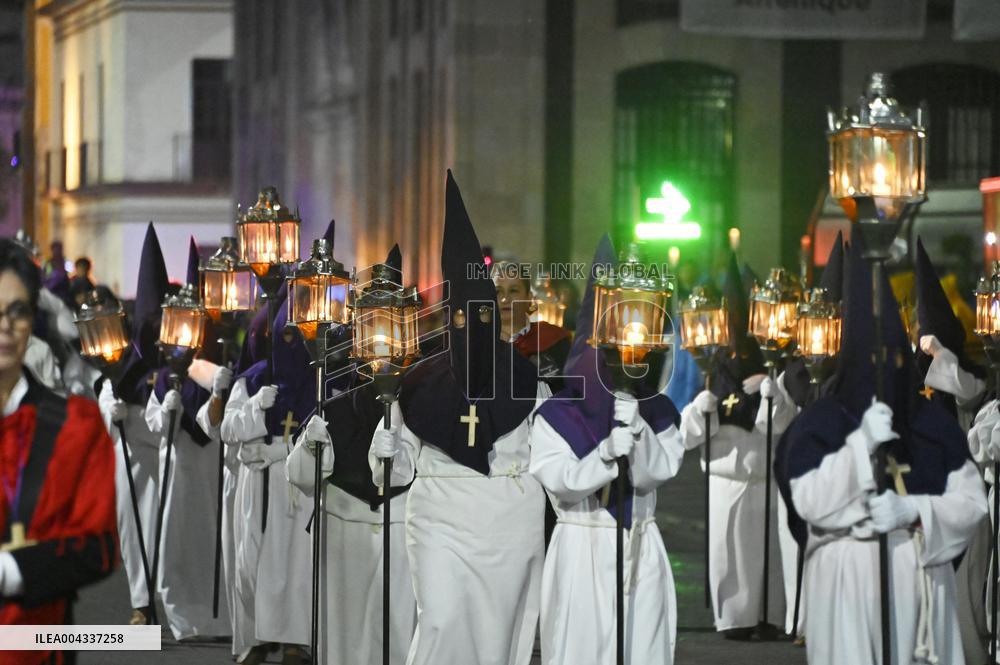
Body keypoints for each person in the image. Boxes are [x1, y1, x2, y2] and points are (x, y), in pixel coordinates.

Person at [776, 239, 987, 665]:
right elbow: (808, 503)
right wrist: (858, 447)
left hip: (921, 576)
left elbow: (972, 503)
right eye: (869, 361)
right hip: (846, 581)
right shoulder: (822, 423)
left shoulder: (929, 424)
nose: (881, 373)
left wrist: (916, 511)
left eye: (891, 360)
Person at [370, 171, 546, 665]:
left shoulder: (529, 381)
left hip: (509, 520)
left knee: (497, 633)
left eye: (483, 317)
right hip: (439, 516)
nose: (473, 328)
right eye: (463, 319)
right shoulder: (421, 382)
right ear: (450, 320)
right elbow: (398, 467)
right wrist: (385, 450)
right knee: (442, 619)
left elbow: (548, 455)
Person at [530, 234, 686, 664]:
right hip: (582, 543)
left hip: (639, 543)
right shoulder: (557, 414)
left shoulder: (656, 410)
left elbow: (660, 471)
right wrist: (601, 457)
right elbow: (560, 485)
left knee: (642, 646)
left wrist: (639, 436)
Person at [287, 244, 417, 665]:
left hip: (397, 526)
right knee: (341, 629)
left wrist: (395, 456)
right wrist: (312, 446)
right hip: (343, 524)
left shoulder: (420, 395)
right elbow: (303, 477)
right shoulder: (337, 394)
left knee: (394, 631)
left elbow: (411, 469)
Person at [0, 238, 118, 665]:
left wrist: (13, 572)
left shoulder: (74, 425)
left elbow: (98, 548)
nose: (5, 326)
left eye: (17, 311)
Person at [678, 254, 796, 639]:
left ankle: (768, 616)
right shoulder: (715, 370)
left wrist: (770, 392)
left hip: (765, 475)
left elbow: (784, 423)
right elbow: (689, 435)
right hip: (726, 474)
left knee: (769, 556)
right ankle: (731, 618)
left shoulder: (774, 363)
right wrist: (702, 410)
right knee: (728, 552)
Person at [145, 248, 232, 641]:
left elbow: (215, 424)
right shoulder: (165, 377)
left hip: (208, 465)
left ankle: (216, 617)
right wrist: (168, 408)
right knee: (174, 541)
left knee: (211, 537)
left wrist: (216, 392)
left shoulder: (214, 369)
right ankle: (180, 617)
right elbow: (157, 426)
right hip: (177, 467)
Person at [221, 291, 312, 665]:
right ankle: (257, 636)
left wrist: (282, 452)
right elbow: (228, 429)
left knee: (294, 563)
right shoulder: (254, 378)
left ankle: (294, 640)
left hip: (295, 483)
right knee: (251, 561)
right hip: (256, 482)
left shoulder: (314, 379)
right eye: (284, 335)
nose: (290, 342)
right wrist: (255, 409)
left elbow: (324, 433)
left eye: (297, 334)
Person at [98, 223, 169, 626]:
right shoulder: (120, 366)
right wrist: (116, 411)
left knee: (168, 532)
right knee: (133, 528)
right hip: (130, 461)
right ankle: (141, 603)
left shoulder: (178, 362)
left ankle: (168, 604)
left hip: (167, 459)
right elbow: (107, 404)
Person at [494, 262, 572, 392]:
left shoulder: (555, 341)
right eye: (498, 292)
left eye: (513, 291)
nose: (504, 299)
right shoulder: (475, 345)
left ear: (529, 298)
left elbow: (570, 394)